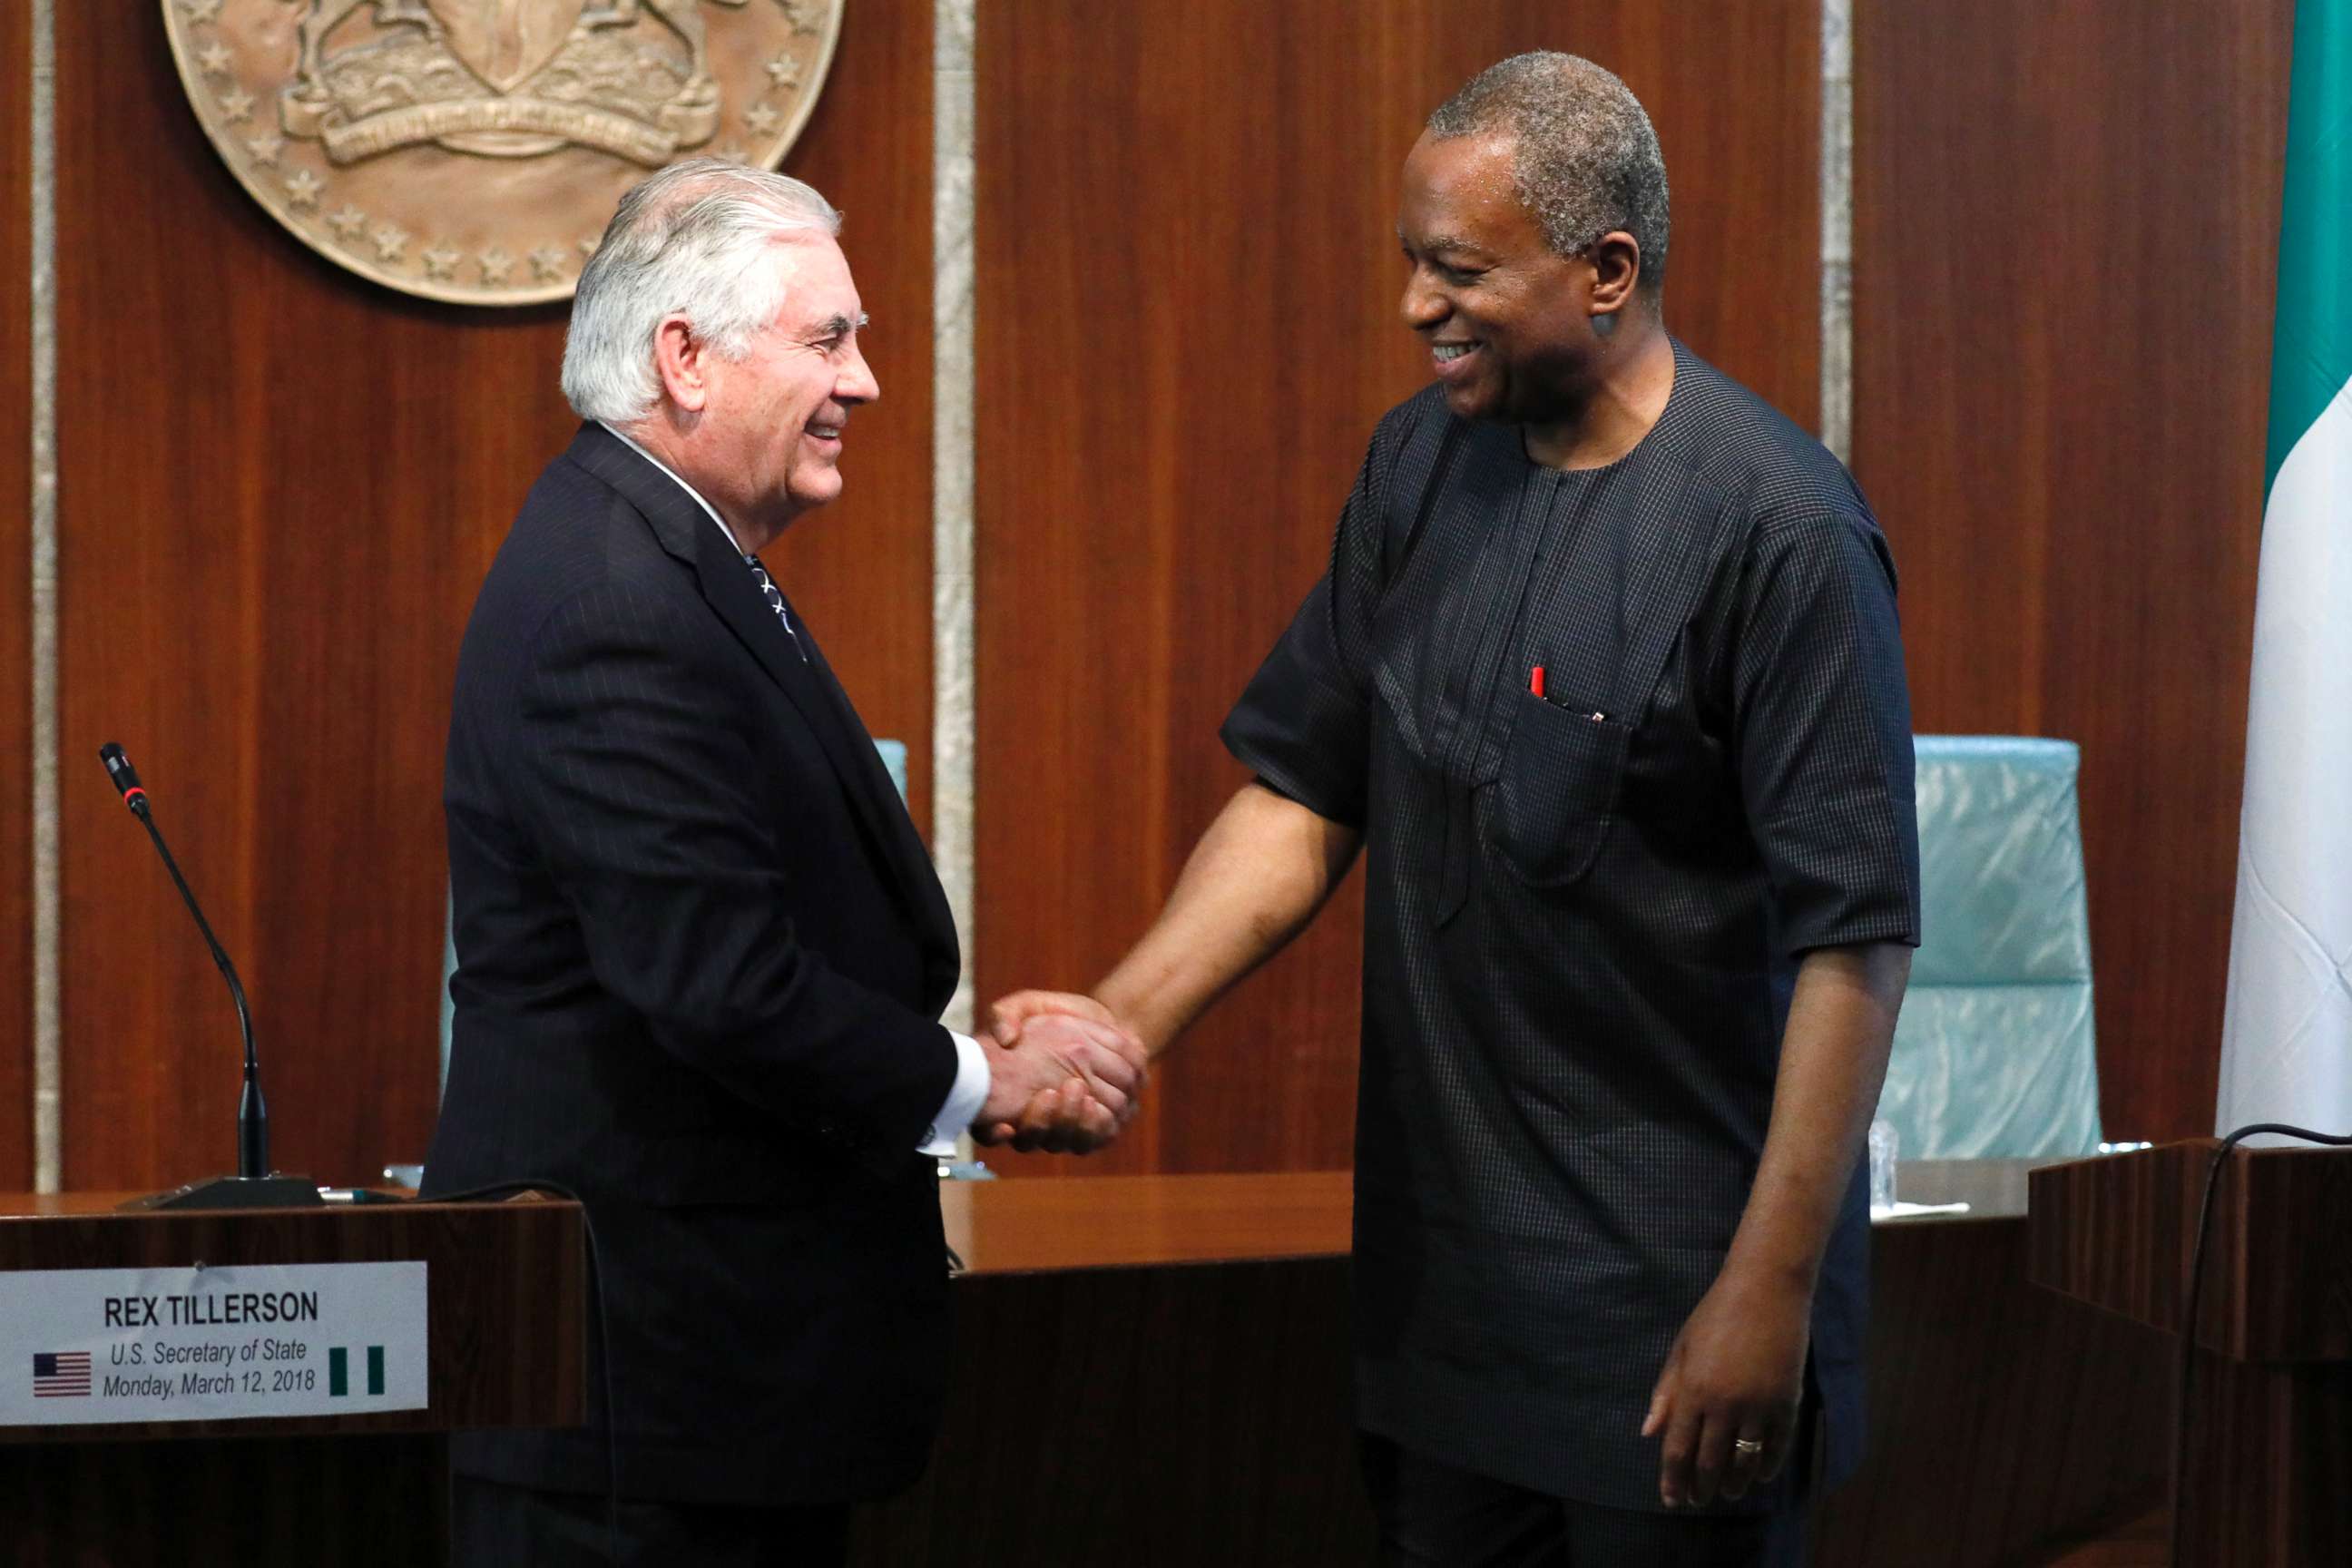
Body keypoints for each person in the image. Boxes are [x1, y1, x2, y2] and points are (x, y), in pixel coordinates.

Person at [993, 54, 1918, 1567]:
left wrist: (1773, 1294)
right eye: (1411, 263)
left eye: (1459, 269)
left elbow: (1855, 944)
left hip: (1673, 1326)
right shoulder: (1418, 465)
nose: (1417, 305)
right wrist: (1116, 1027)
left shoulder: (1783, 533)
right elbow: (1304, 790)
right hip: (1448, 1323)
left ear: (1606, 269)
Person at [422, 158, 1145, 1567]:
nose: (865, 382)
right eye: (830, 339)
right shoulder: (614, 599)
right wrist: (983, 1082)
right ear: (684, 358)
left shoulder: (667, 555)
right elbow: (720, 985)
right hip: (645, 1408)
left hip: (711, 1398)